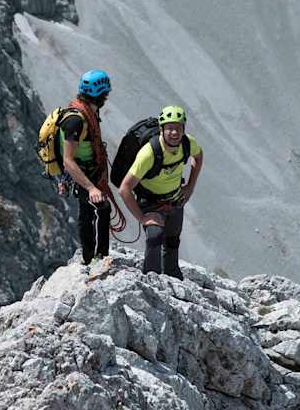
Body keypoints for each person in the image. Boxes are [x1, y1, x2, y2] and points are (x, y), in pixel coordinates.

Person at [118, 105, 203, 279]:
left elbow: (199, 156)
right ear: (162, 129)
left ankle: (172, 276)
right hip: (150, 202)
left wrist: (190, 187)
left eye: (178, 128)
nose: (174, 132)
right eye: (170, 128)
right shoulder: (149, 153)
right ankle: (152, 279)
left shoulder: (187, 143)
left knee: (172, 240)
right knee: (155, 236)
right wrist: (142, 217)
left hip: (175, 199)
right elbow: (124, 189)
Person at [60, 70, 112, 265]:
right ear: (101, 94)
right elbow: (68, 160)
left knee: (92, 211)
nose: (107, 98)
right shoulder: (76, 120)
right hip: (81, 173)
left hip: (91, 171)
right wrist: (91, 188)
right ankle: (92, 258)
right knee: (97, 210)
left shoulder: (89, 110)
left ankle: (95, 256)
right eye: (105, 94)